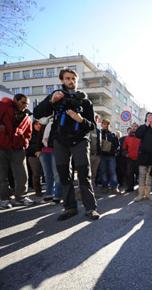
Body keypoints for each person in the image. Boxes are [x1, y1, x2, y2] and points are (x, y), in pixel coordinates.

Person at [33, 68, 100, 220]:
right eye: (67, 78)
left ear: (76, 81)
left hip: (80, 141)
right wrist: (51, 101)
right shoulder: (56, 96)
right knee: (64, 175)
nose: (71, 81)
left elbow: (92, 126)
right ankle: (70, 208)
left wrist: (80, 119)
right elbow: (37, 113)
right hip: (60, 142)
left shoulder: (85, 101)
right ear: (62, 80)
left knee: (84, 175)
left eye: (73, 79)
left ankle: (90, 208)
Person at [0, 94, 33, 209]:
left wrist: (24, 143)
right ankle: (4, 199)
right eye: (23, 102)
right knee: (1, 175)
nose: (25, 106)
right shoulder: (3, 107)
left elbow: (28, 134)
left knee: (22, 175)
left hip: (18, 149)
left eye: (27, 104)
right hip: (1, 147)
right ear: (15, 100)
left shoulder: (27, 117)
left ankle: (21, 197)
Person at [38, 117, 62, 203]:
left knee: (56, 174)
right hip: (44, 151)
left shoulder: (59, 120)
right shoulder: (44, 122)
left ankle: (58, 195)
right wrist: (38, 149)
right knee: (47, 174)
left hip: (55, 150)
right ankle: (49, 194)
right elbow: (39, 135)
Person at [99, 119, 120, 194]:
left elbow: (117, 145)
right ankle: (105, 187)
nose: (105, 125)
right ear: (101, 125)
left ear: (109, 125)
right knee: (103, 172)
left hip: (111, 156)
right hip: (102, 156)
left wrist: (113, 148)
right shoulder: (99, 133)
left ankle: (114, 188)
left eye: (107, 124)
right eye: (104, 124)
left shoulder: (112, 134)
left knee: (113, 172)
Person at [26, 120, 43, 202]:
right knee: (36, 174)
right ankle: (38, 191)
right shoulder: (30, 134)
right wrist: (35, 151)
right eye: (36, 124)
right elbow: (28, 146)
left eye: (40, 124)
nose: (38, 125)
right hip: (33, 156)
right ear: (33, 125)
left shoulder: (43, 133)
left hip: (44, 155)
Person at [122, 123, 140, 193]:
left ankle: (140, 189)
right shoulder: (127, 138)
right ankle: (130, 187)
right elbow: (124, 148)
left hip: (139, 159)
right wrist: (126, 154)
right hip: (130, 159)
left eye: (136, 126)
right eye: (133, 126)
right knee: (129, 173)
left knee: (140, 174)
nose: (134, 128)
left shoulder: (141, 137)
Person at [89, 114, 101, 190]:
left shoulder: (98, 131)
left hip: (97, 156)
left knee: (94, 174)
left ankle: (92, 189)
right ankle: (82, 191)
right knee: (87, 174)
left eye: (97, 119)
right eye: (95, 118)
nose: (96, 120)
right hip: (89, 155)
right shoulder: (88, 129)